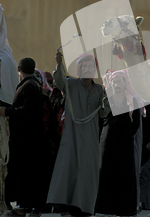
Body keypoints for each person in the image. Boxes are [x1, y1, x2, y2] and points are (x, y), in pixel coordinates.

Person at [47, 53, 110, 217]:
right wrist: (59, 65)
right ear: (79, 69)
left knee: (86, 173)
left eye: (91, 66)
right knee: (69, 170)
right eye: (84, 66)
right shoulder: (71, 84)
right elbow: (59, 82)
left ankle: (83, 208)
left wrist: (109, 100)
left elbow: (103, 114)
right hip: (72, 136)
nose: (88, 69)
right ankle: (65, 207)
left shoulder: (99, 89)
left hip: (90, 139)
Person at [0, 58, 52, 217]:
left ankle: (29, 207)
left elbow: (27, 111)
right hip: (24, 139)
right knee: (25, 174)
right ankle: (26, 206)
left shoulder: (29, 86)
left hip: (28, 140)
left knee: (28, 175)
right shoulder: (29, 85)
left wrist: (6, 112)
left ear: (19, 69)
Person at [95, 70, 140, 217]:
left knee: (125, 175)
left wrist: (126, 133)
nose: (116, 84)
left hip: (125, 143)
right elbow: (100, 119)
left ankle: (124, 209)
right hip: (107, 143)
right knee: (106, 173)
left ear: (124, 83)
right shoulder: (106, 99)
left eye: (119, 81)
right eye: (114, 81)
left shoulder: (132, 100)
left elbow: (137, 123)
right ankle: (106, 208)